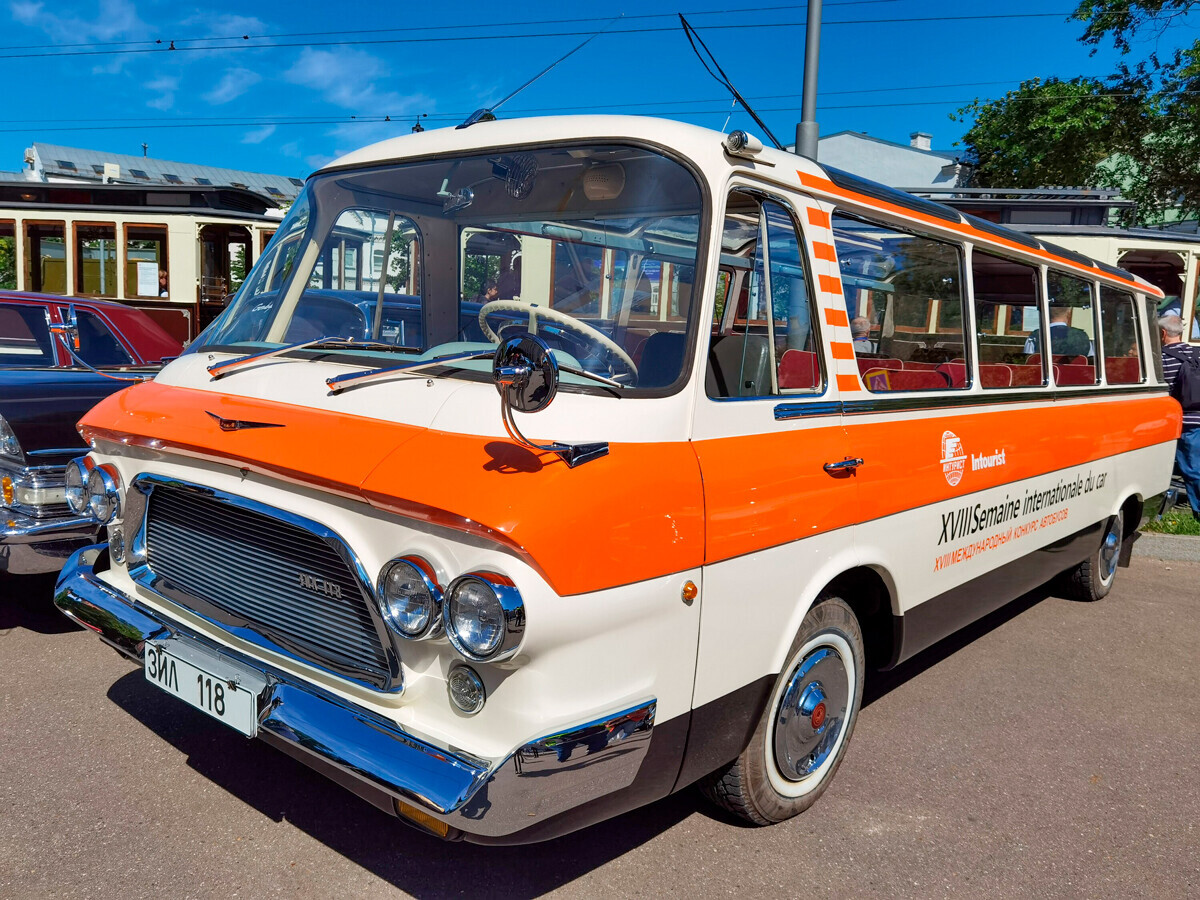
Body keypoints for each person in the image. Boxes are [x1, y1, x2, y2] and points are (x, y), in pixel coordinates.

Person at [1160, 314, 1200, 518]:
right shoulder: (1197, 353)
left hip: (1183, 421)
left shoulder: (1162, 358)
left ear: (1163, 333)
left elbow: (1161, 391)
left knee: (1191, 469)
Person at [1024, 305, 1093, 357]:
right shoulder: (1083, 337)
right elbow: (1090, 363)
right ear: (1068, 313)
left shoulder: (1035, 337)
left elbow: (1029, 362)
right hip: (1077, 375)